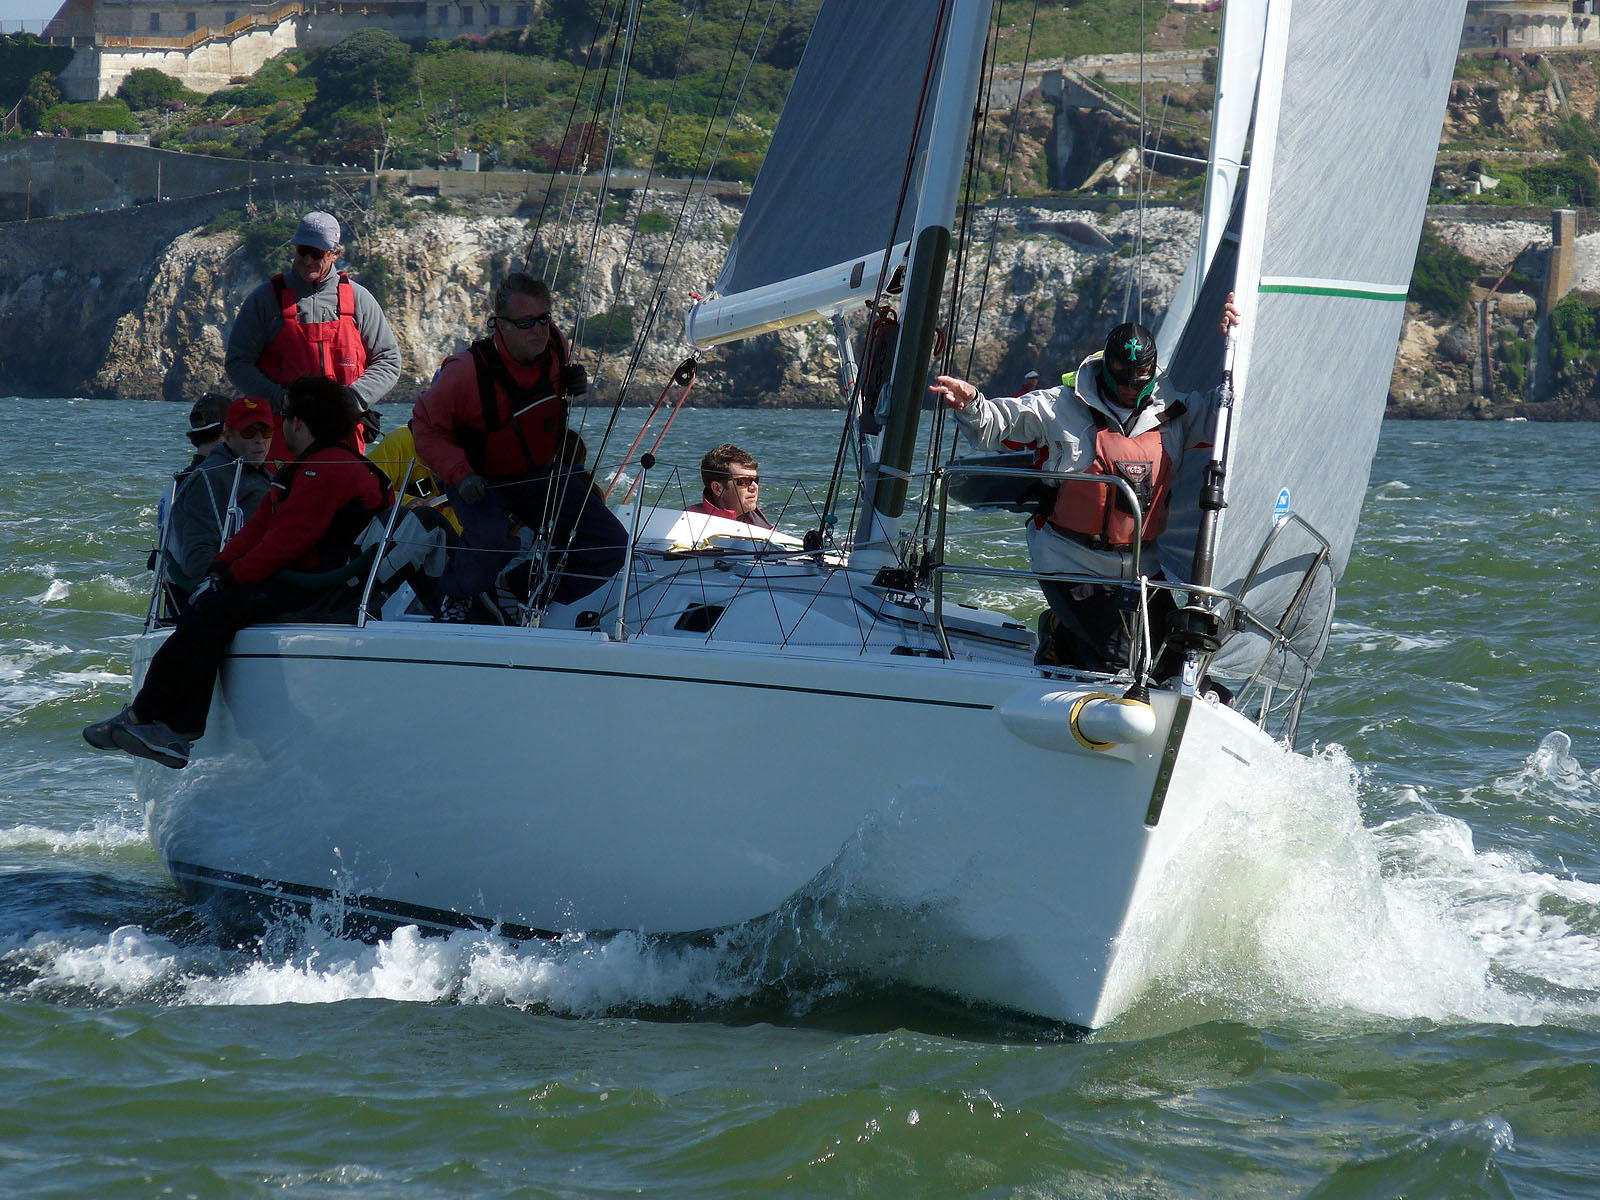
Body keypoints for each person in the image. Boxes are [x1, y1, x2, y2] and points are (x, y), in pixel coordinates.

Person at [84, 375, 392, 769]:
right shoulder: (310, 467)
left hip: (320, 591)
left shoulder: (325, 470)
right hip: (301, 582)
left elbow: (285, 542)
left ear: (299, 423)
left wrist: (228, 579)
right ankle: (151, 721)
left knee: (213, 610)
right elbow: (259, 529)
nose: (275, 431)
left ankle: (167, 726)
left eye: (281, 420)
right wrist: (219, 568)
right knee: (208, 606)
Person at [933, 311, 1233, 675]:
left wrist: (1235, 337)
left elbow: (1229, 415)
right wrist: (971, 405)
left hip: (1140, 566)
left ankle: (1064, 635)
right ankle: (1062, 637)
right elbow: (998, 425)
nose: (1129, 387)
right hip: (1069, 560)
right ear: (1106, 367)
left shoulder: (1176, 411)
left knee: (1177, 659)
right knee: (1118, 660)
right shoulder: (1058, 406)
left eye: (1138, 377)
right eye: (1120, 377)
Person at [411, 271, 626, 621]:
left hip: (536, 473)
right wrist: (460, 474)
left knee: (610, 543)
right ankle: (456, 598)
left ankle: (514, 588)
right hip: (478, 478)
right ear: (501, 325)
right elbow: (424, 427)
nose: (538, 330)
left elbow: (546, 392)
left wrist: (571, 382)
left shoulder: (555, 347)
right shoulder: (465, 371)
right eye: (526, 323)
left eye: (544, 319)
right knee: (491, 540)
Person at [224, 210, 401, 448]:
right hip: (283, 434)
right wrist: (281, 400)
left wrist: (352, 399)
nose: (308, 260)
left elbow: (389, 360)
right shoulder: (265, 299)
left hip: (343, 433)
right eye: (303, 250)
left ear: (335, 254)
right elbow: (238, 362)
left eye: (317, 253)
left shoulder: (359, 299)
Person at [164, 396, 274, 587]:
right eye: (249, 432)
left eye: (266, 431)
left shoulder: (262, 474)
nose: (259, 440)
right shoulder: (209, 478)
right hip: (243, 585)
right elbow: (198, 558)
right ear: (228, 437)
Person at [685, 443, 773, 529]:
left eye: (756, 480)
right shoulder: (687, 523)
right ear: (717, 488)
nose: (754, 487)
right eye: (745, 481)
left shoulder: (765, 528)